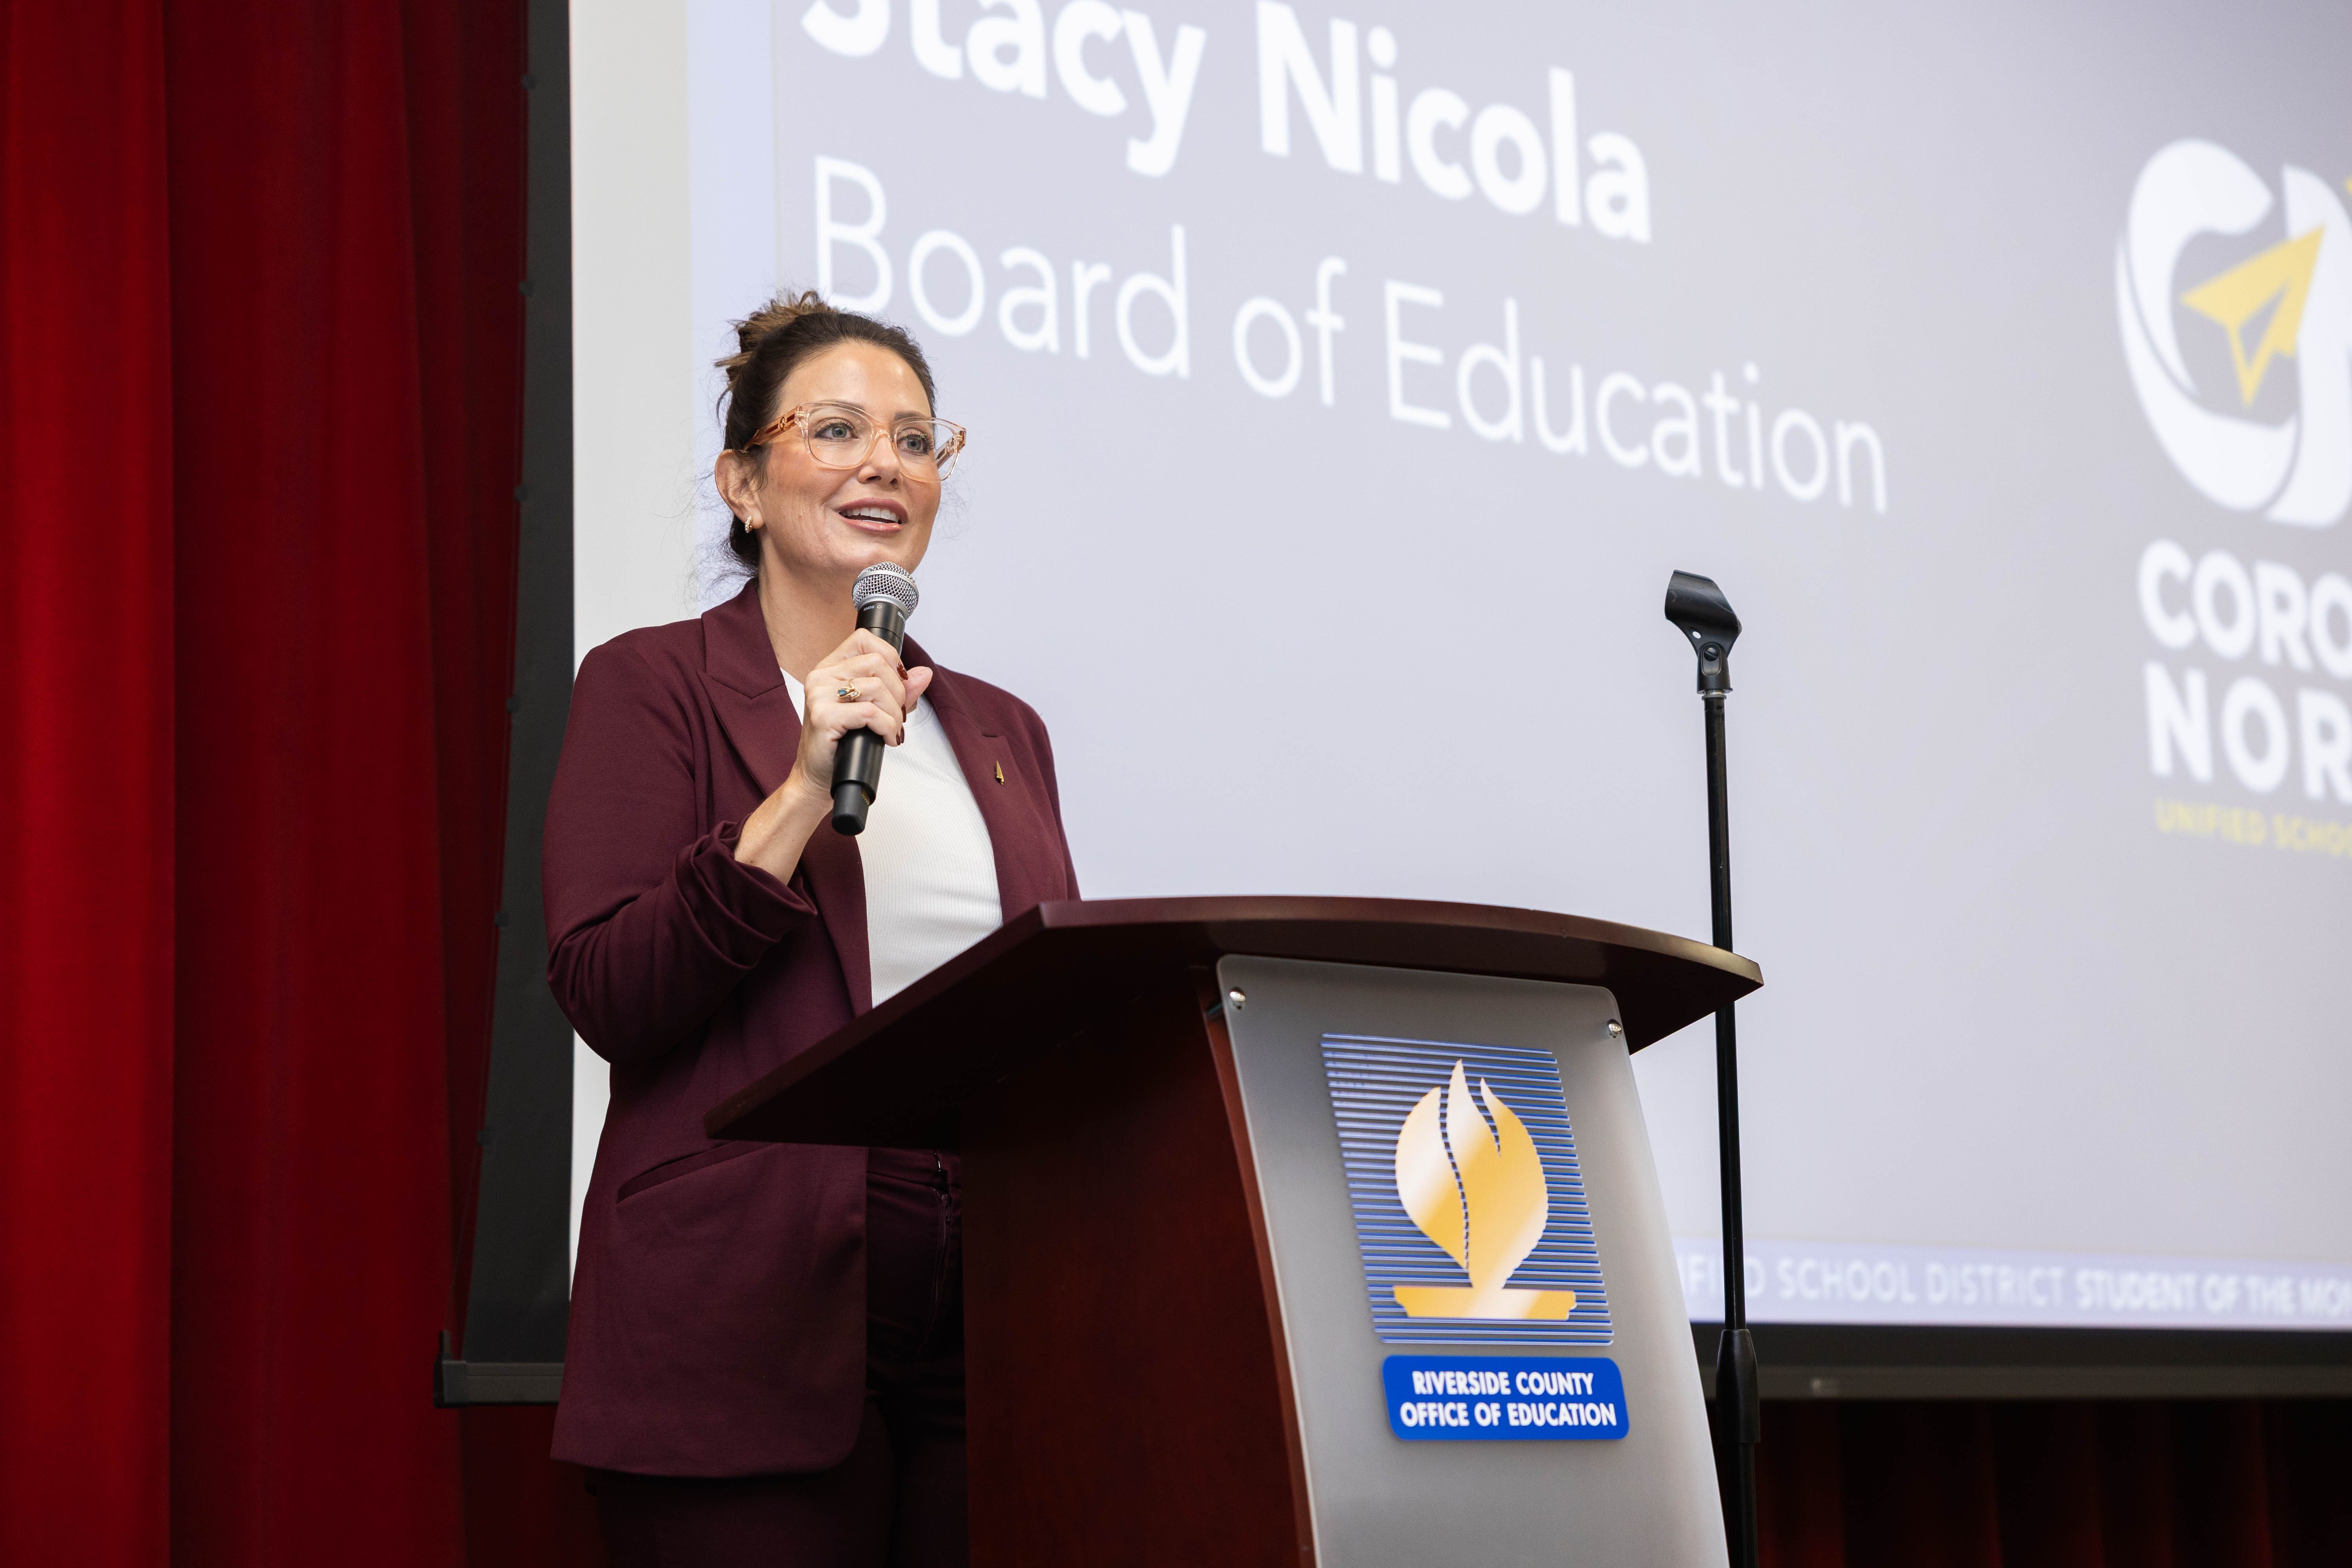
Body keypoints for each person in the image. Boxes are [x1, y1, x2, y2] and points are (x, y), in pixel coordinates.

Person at [542, 293, 1079, 1565]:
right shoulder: (652, 684)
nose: (884, 463)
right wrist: (794, 795)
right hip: (746, 1300)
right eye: (836, 430)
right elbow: (611, 991)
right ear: (743, 483)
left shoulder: (1003, 731)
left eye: (914, 438)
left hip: (994, 1314)